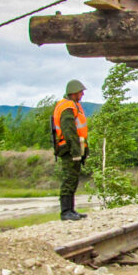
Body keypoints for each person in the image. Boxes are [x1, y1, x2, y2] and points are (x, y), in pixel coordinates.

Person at [53, 79, 89, 220]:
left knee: (73, 178)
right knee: (69, 178)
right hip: (68, 149)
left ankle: (71, 210)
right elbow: (69, 130)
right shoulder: (67, 107)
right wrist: (75, 151)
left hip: (74, 147)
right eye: (81, 92)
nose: (82, 95)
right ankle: (66, 212)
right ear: (74, 92)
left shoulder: (74, 105)